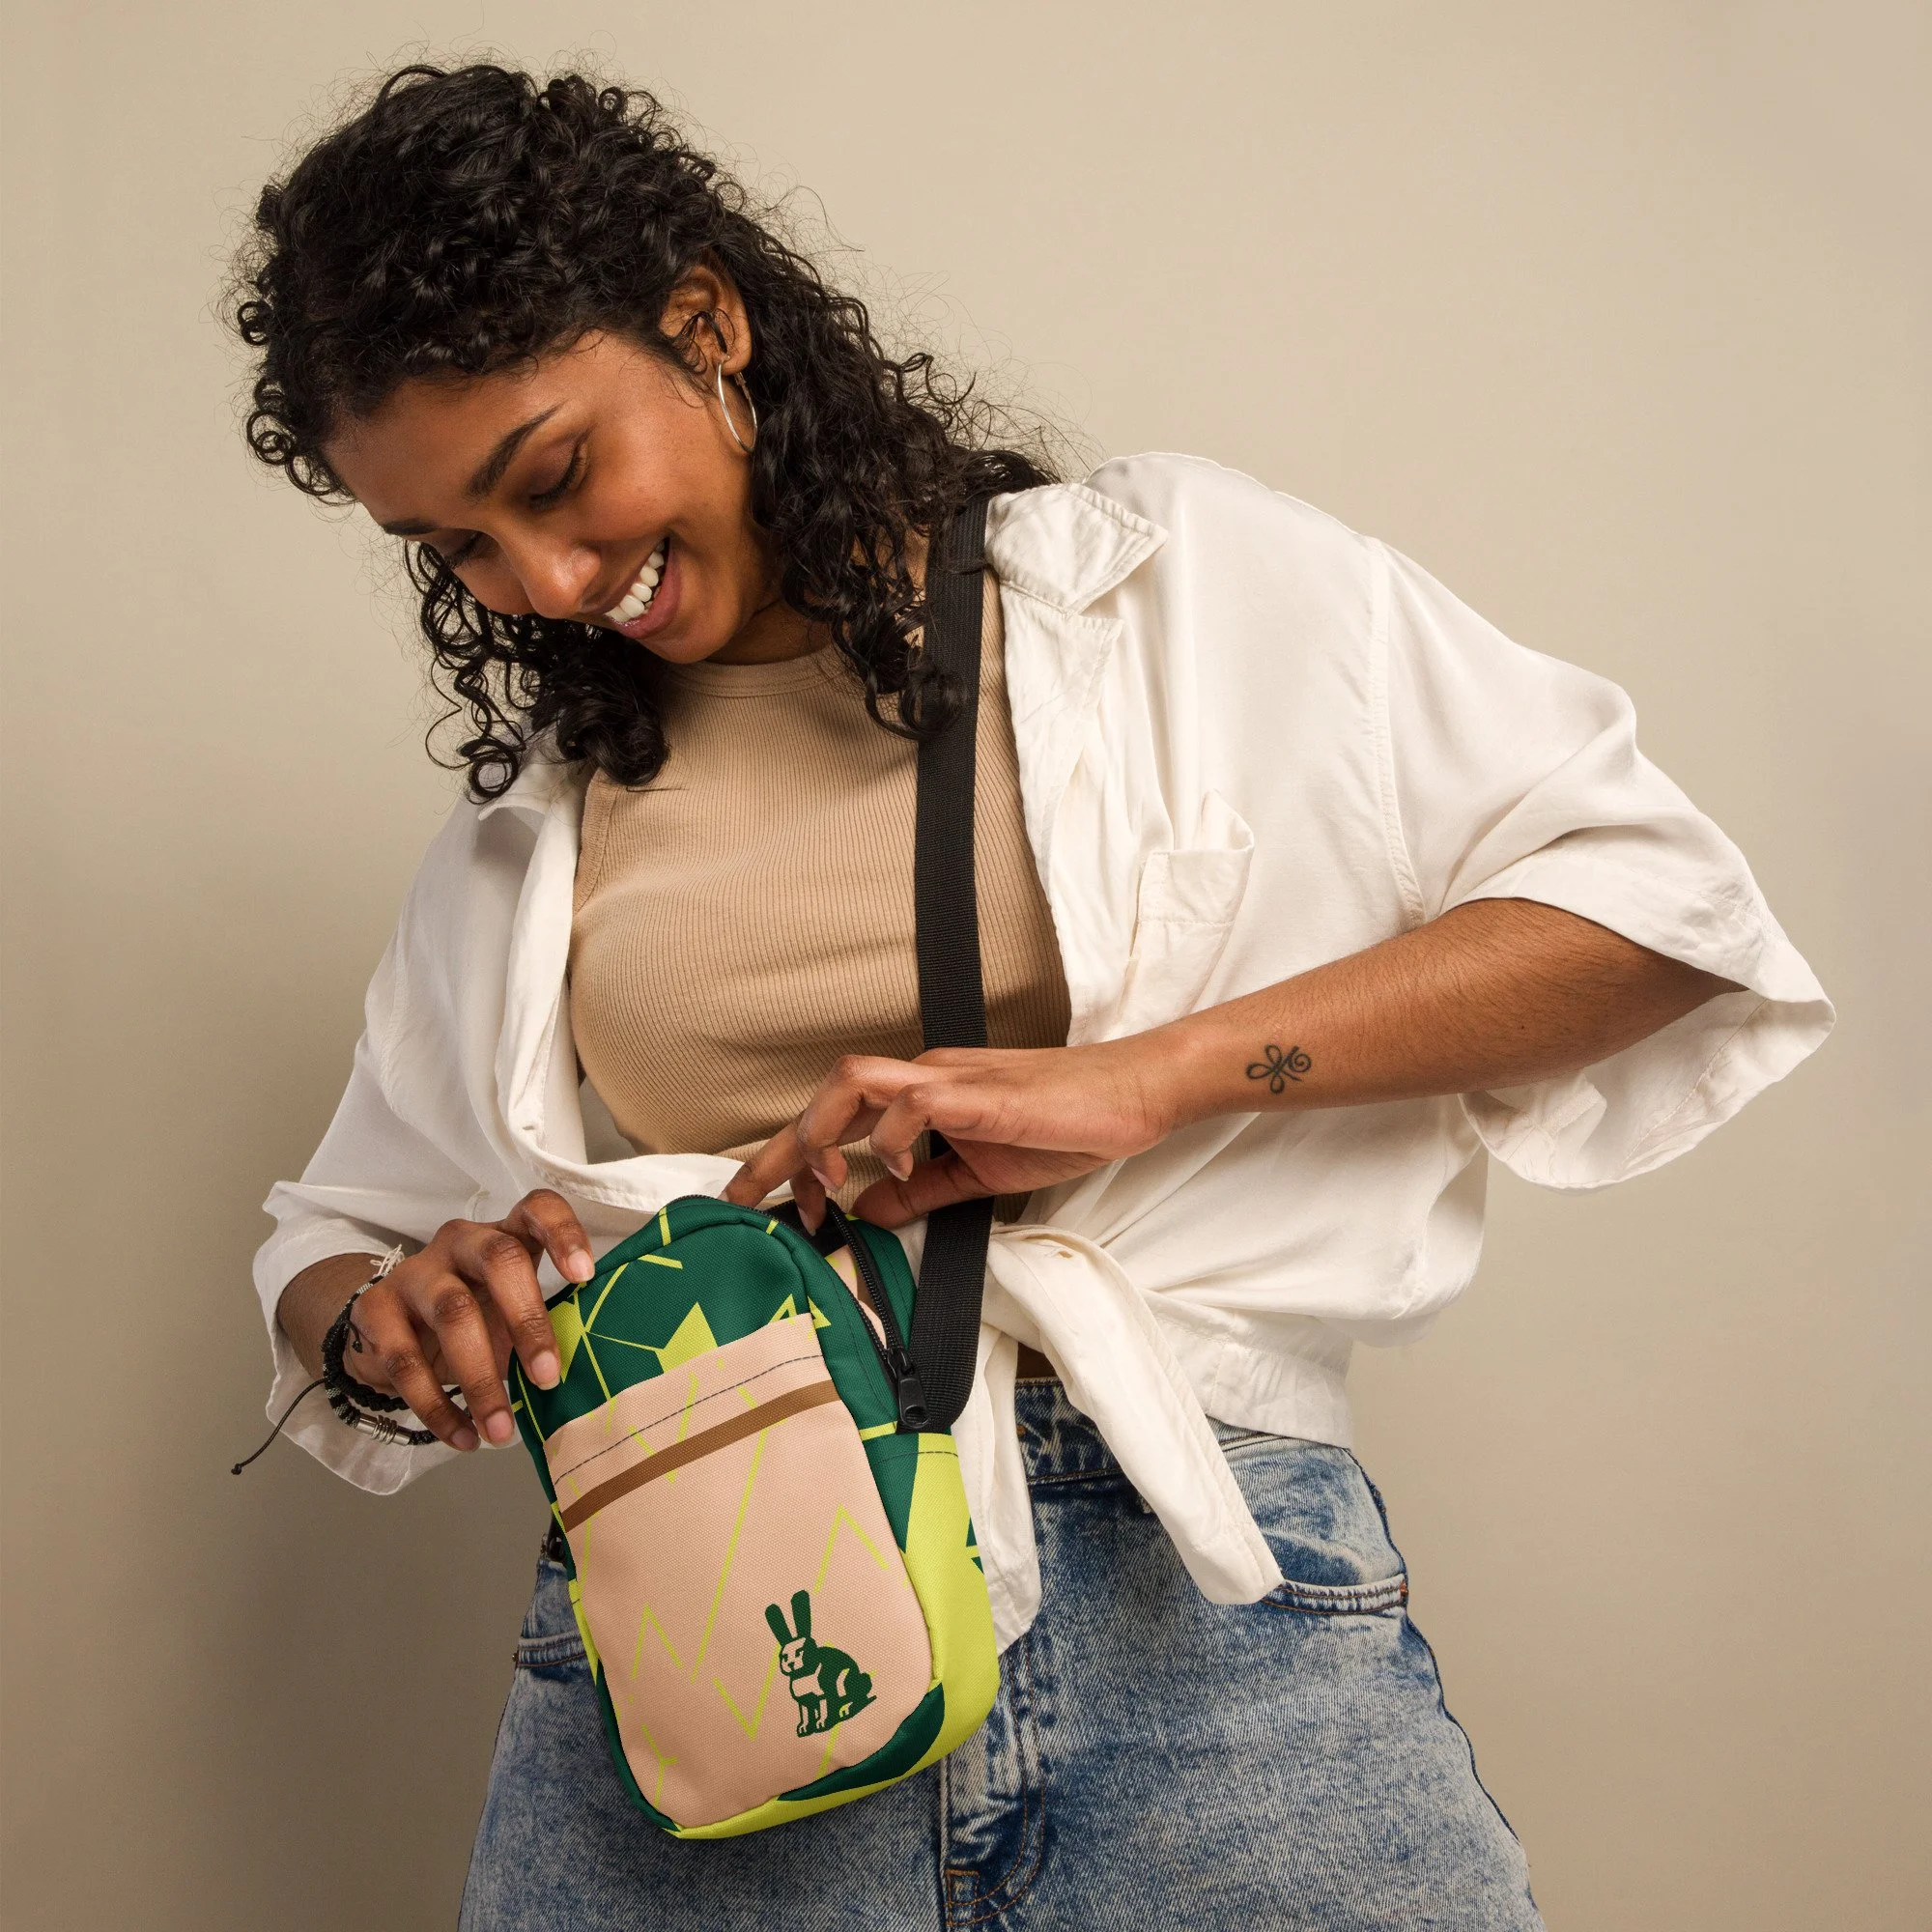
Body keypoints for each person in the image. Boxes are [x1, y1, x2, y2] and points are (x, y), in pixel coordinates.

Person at [234, 63, 1832, 1932]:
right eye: (458, 548)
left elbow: (1656, 916)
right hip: (718, 1631)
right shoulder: (541, 822)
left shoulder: (1163, 594)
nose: (547, 581)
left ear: (707, 324)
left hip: (1199, 1617)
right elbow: (330, 1244)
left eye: (554, 477)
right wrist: (398, 1321)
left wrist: (1153, 1077)